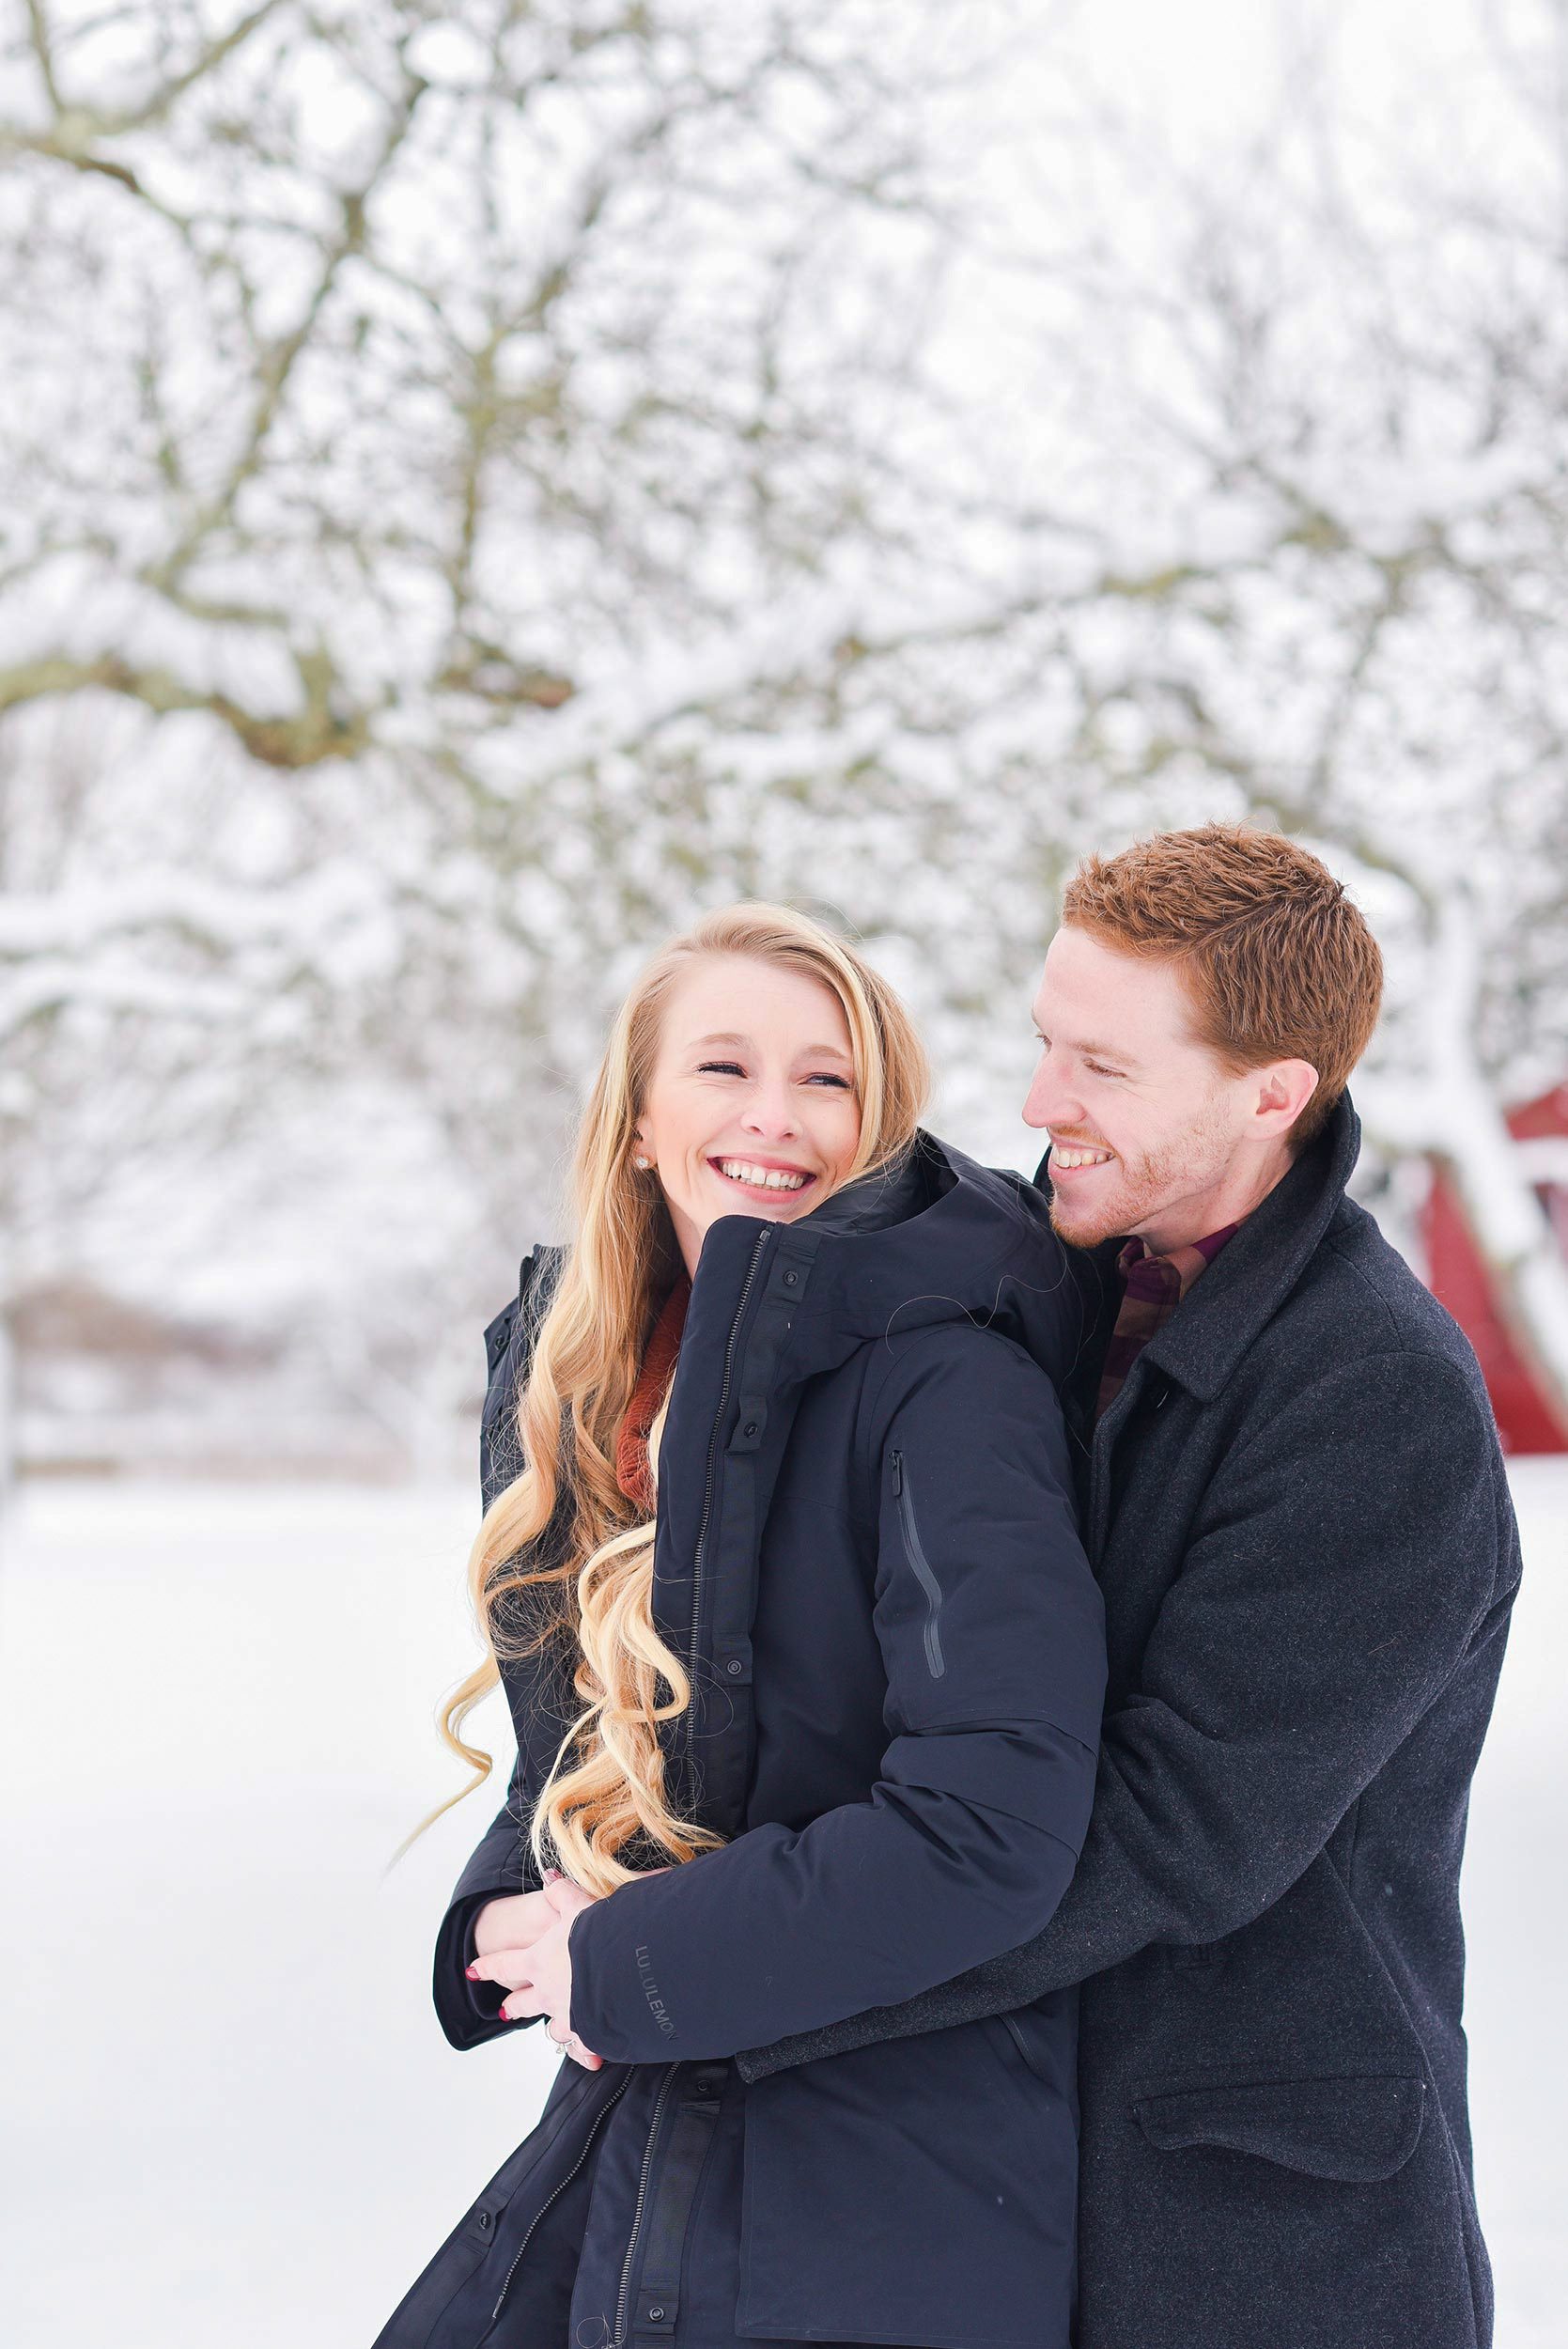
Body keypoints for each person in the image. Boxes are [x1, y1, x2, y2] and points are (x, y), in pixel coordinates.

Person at [737, 827, 1521, 2349]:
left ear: (1270, 1092)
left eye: (1101, 1067)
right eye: (1045, 1044)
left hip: (1254, 2236)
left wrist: (740, 1973)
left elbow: (1177, 1829)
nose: (1039, 1105)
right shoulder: (1029, 1282)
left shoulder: (1377, 1395)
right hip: (993, 2164)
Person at [375, 902, 1107, 2349]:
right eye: (723, 1068)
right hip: (650, 2121)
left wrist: (635, 1959)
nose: (777, 1116)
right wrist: (513, 1919)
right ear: (638, 1120)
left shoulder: (945, 1386)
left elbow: (991, 1828)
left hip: (883, 2176)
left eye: (826, 1078)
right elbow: (587, 1755)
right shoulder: (586, 1381)